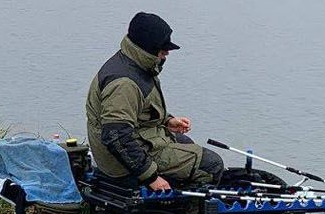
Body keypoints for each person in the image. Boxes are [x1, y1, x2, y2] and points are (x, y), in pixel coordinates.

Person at [85, 12, 223, 192]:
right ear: (148, 47)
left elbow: (141, 107)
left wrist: (167, 120)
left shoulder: (136, 64)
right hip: (118, 165)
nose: (166, 53)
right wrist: (151, 176)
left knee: (187, 144)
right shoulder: (124, 83)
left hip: (140, 138)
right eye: (163, 48)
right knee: (211, 165)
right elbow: (116, 137)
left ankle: (176, 194)